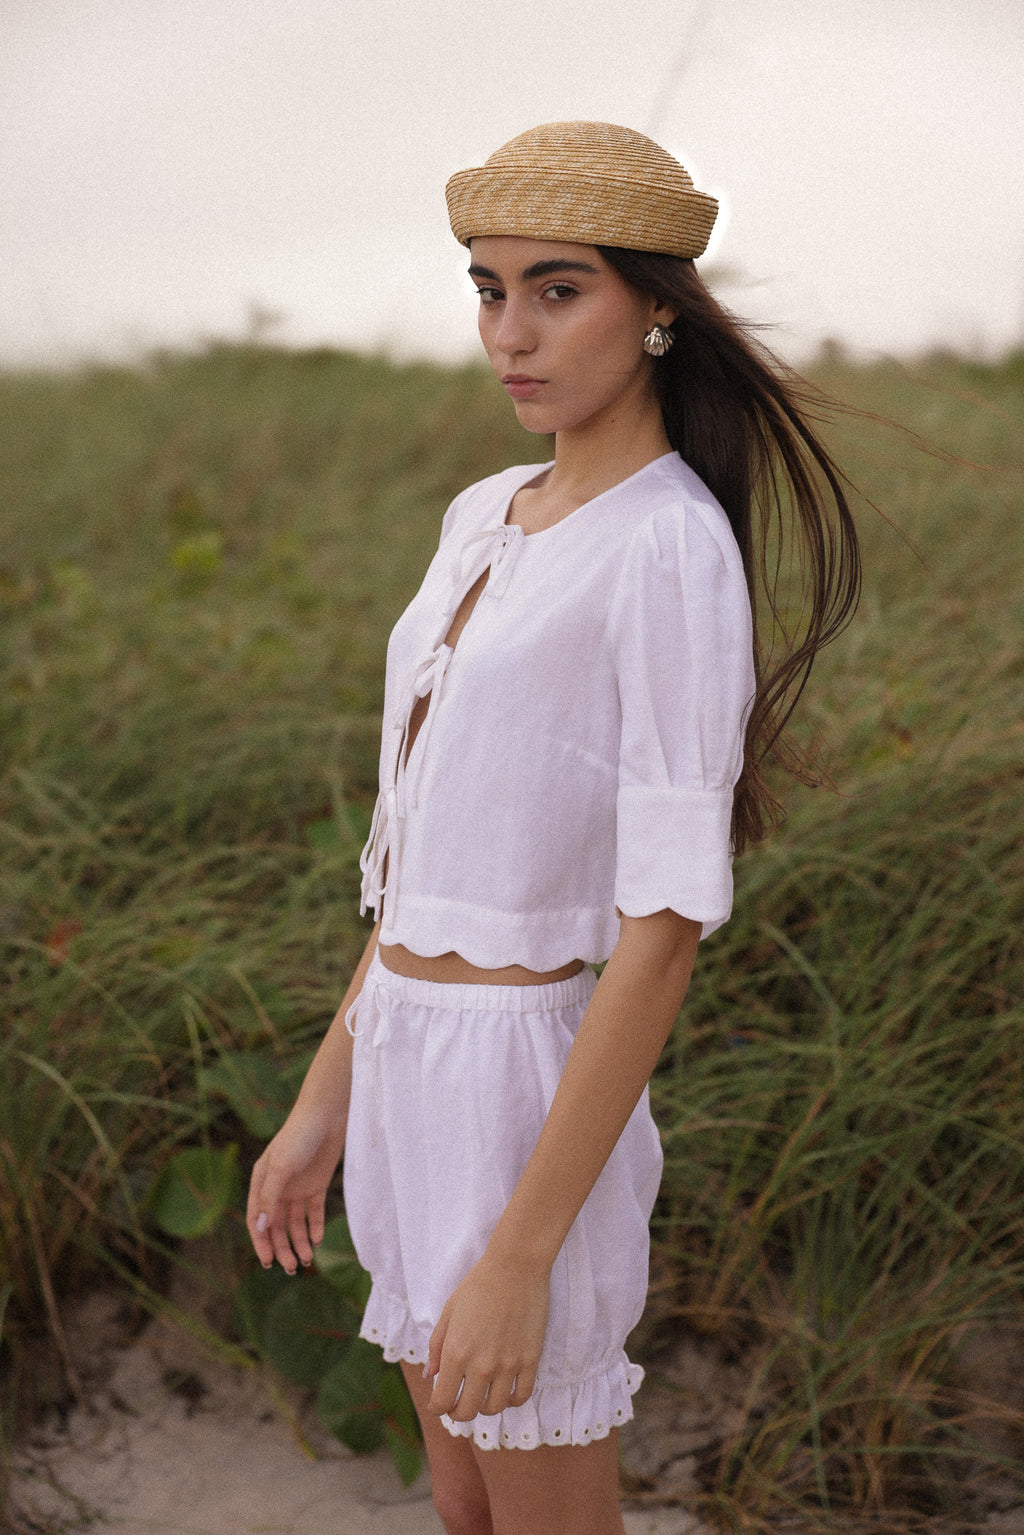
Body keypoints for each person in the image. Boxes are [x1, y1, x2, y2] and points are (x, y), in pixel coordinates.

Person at [247, 121, 861, 1535]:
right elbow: (418, 869)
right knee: (468, 1510)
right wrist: (323, 1099)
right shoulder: (483, 516)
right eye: (487, 288)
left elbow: (659, 942)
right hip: (403, 1070)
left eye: (558, 288)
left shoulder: (668, 549)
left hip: (526, 1098)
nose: (509, 333)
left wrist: (525, 1251)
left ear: (657, 306)